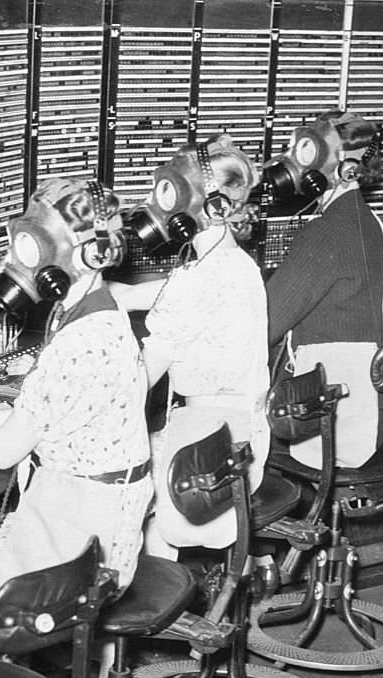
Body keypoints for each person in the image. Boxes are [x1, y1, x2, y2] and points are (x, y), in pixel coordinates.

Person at [0, 177, 153, 597]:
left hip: (80, 536)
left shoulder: (80, 343)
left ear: (90, 253)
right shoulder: (102, 310)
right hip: (98, 516)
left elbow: (3, 450)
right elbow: (35, 417)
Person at [115, 134, 269, 559]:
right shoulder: (238, 263)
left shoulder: (196, 279)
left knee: (113, 487)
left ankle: (152, 604)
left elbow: (138, 381)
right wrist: (121, 295)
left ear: (211, 206)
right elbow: (181, 293)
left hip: (205, 454)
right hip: (241, 438)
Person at [263, 110, 383, 469]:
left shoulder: (326, 231)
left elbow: (265, 323)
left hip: (326, 423)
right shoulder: (368, 222)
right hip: (361, 410)